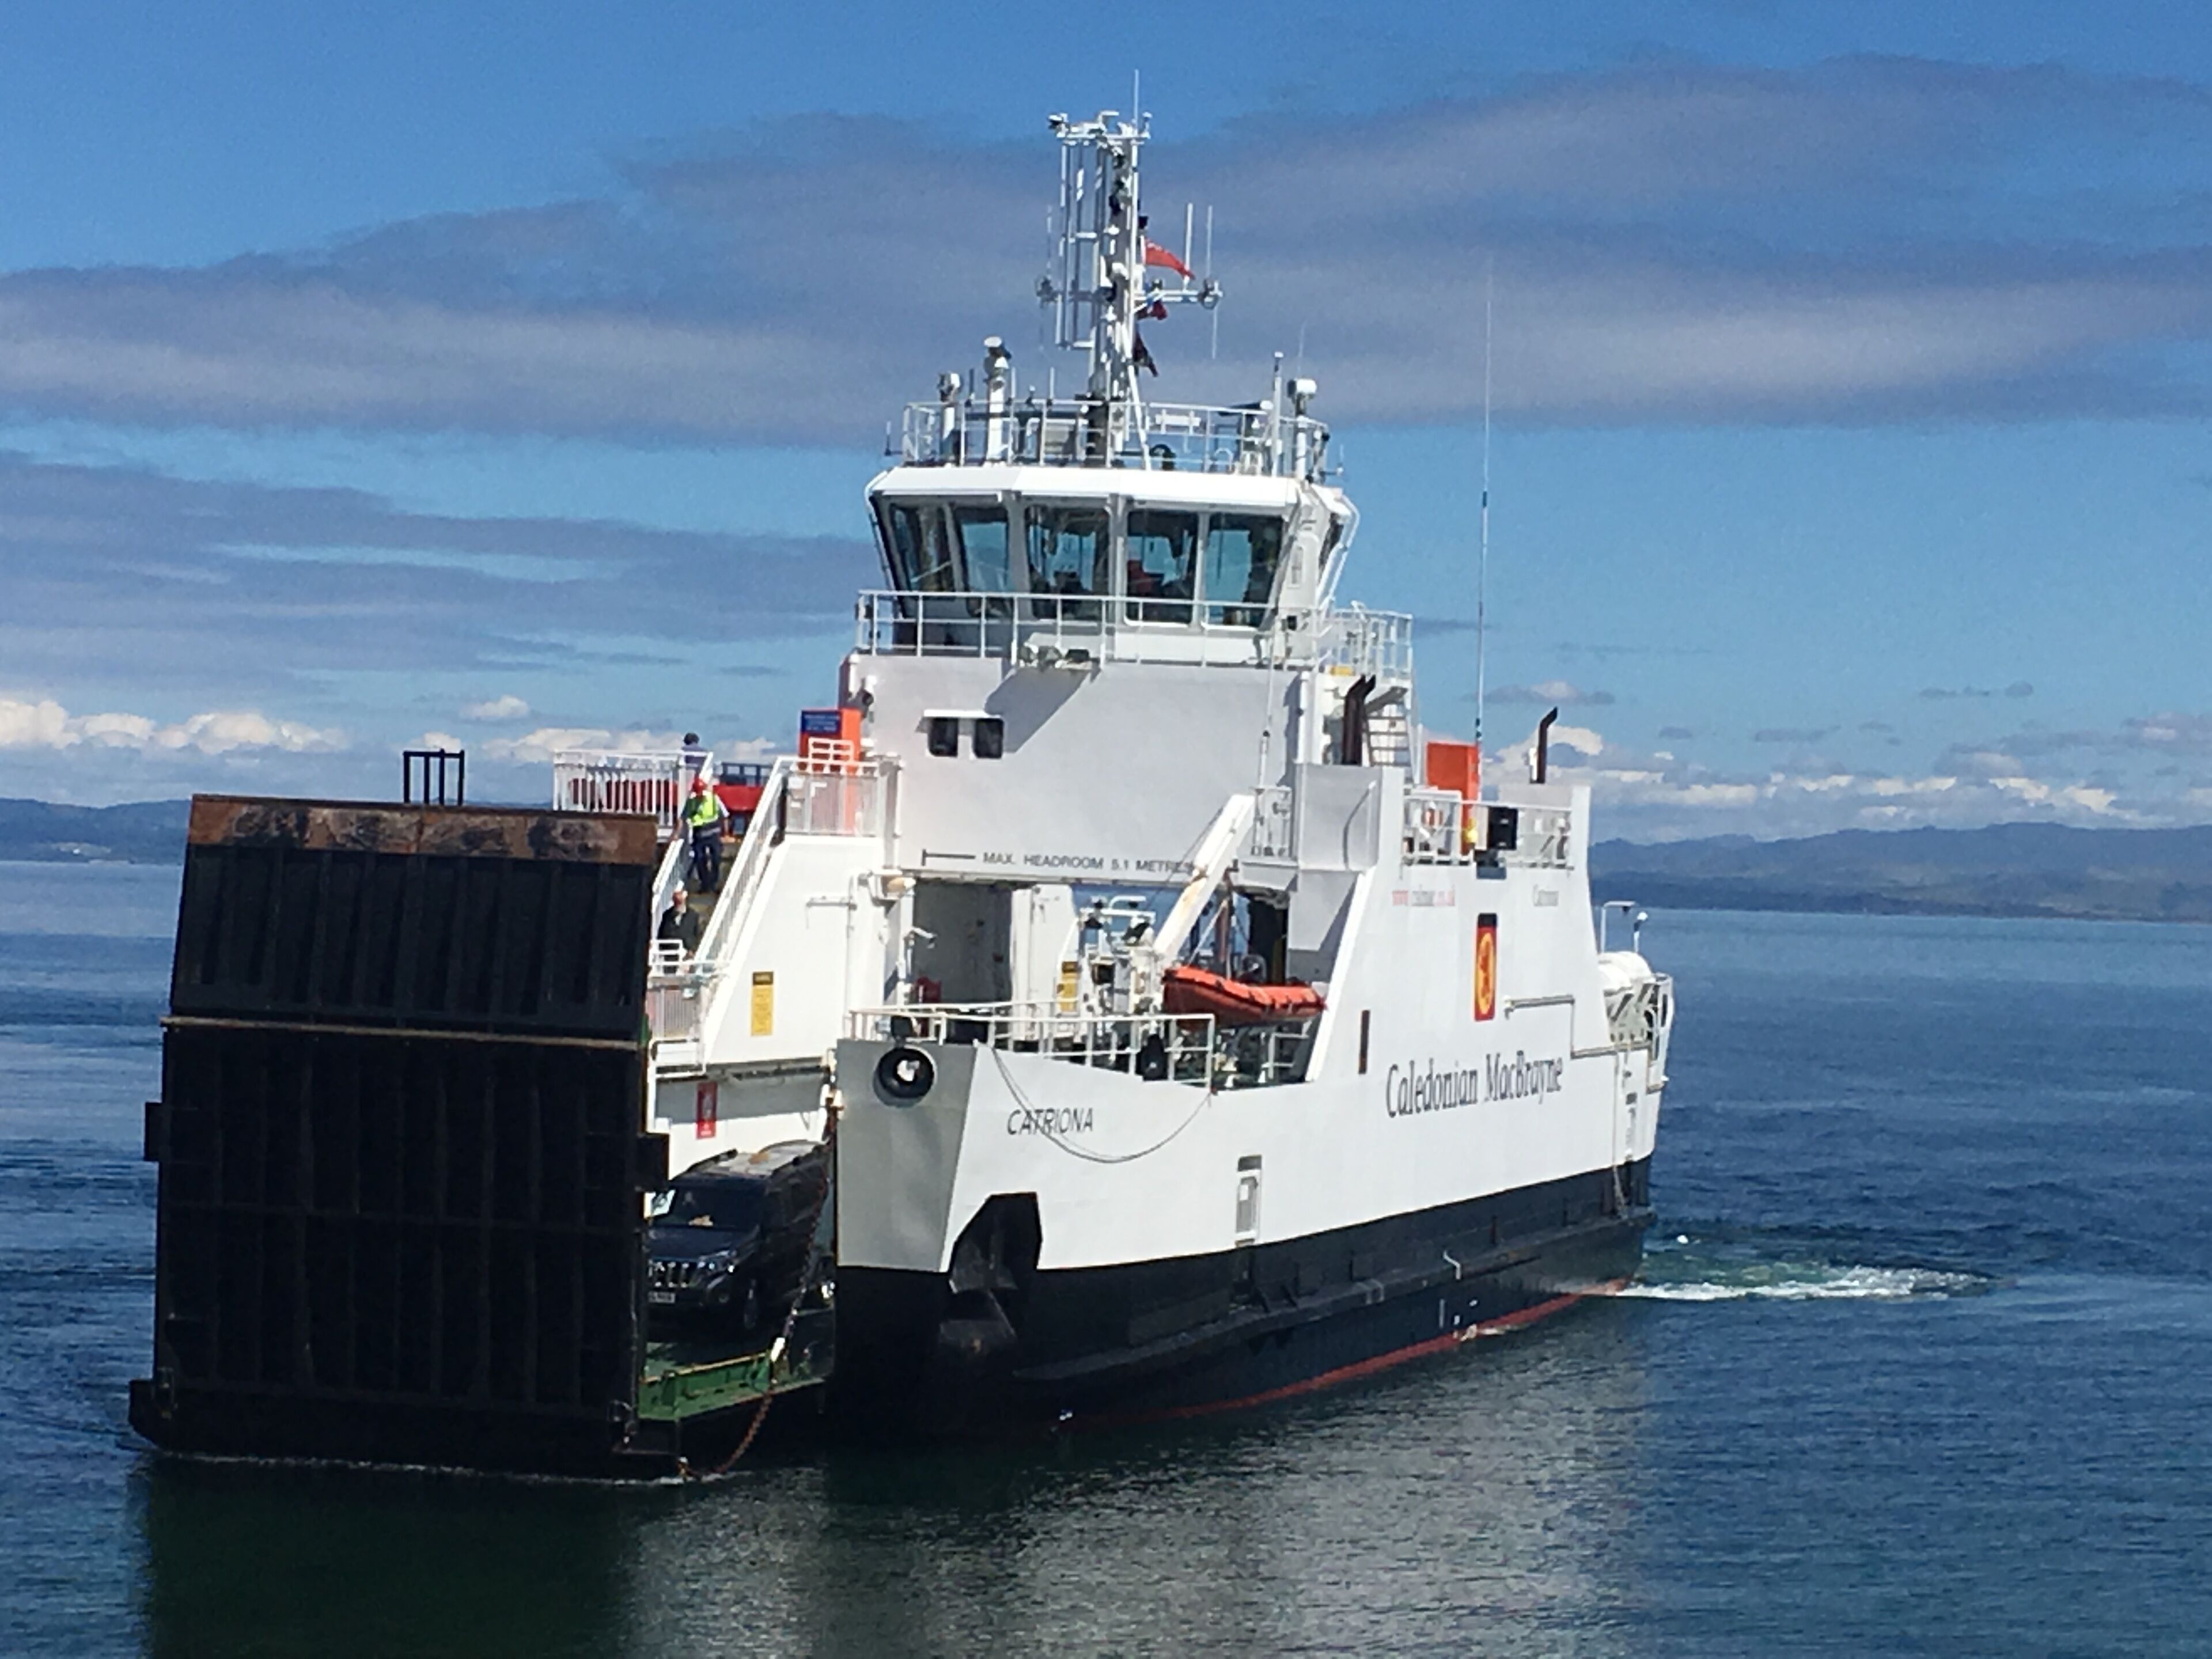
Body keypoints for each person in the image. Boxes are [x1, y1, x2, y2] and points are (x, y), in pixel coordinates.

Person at [684, 777, 727, 893]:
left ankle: (714, 883)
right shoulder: (692, 802)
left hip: (713, 833)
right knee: (700, 859)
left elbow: (725, 815)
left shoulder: (713, 799)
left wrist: (725, 833)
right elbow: (685, 817)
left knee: (716, 858)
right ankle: (705, 884)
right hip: (699, 835)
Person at [657, 886, 700, 955]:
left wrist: (692, 950)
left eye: (679, 894)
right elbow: (661, 934)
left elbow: (697, 934)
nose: (677, 898)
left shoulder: (693, 915)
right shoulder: (667, 915)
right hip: (669, 956)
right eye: (675, 895)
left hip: (686, 956)